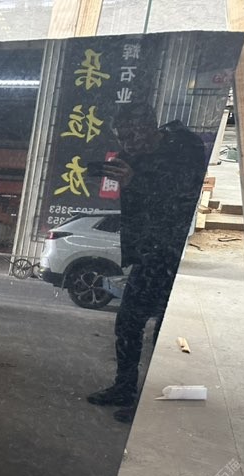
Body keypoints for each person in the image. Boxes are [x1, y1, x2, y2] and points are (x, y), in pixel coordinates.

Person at [87, 102, 207, 423]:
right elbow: (138, 209)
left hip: (178, 254)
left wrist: (135, 181)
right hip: (149, 253)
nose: (128, 144)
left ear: (150, 126)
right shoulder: (132, 159)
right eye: (122, 138)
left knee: (165, 332)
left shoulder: (185, 148)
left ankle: (154, 403)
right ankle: (125, 388)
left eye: (132, 135)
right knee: (128, 322)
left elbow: (184, 199)